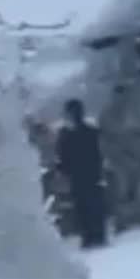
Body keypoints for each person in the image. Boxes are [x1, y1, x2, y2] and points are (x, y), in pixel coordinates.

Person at [98, 84, 140, 231]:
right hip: (119, 158)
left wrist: (137, 131)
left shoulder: (137, 111)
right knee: (121, 192)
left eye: (123, 96)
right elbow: (104, 138)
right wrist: (111, 154)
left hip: (137, 155)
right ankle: (121, 222)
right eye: (118, 96)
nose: (121, 99)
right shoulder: (106, 114)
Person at [56, 98, 108, 248]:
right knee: (93, 205)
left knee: (84, 206)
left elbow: (62, 157)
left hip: (79, 175)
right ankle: (97, 235)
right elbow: (99, 153)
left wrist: (63, 170)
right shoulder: (91, 131)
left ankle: (90, 236)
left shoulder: (65, 135)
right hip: (90, 174)